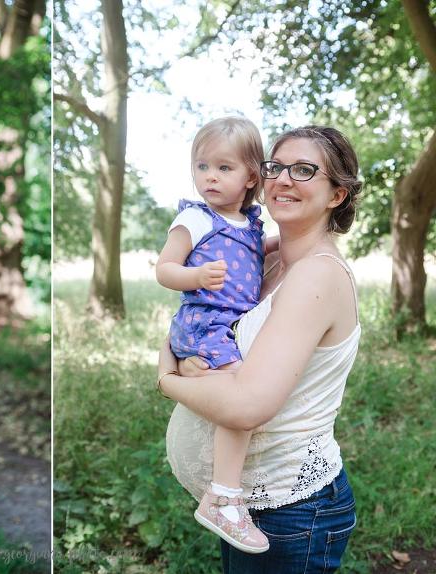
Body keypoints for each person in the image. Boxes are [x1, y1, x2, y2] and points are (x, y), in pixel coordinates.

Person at [158, 125, 362, 573]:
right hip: (251, 510)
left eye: (305, 170)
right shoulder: (267, 263)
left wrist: (168, 380)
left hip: (291, 513)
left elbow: (246, 406)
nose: (284, 179)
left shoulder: (317, 276)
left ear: (337, 195)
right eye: (276, 166)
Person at [156, 116, 271, 553]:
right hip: (204, 322)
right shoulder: (195, 218)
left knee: (238, 389)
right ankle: (223, 496)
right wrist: (196, 275)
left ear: (250, 177)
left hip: (227, 328)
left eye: (224, 168)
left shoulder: (252, 224)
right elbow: (165, 269)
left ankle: (190, 372)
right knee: (241, 397)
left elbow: (261, 254)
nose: (210, 177)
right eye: (202, 166)